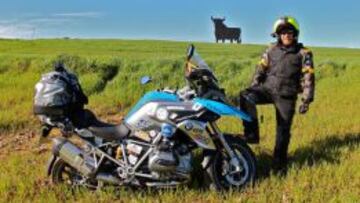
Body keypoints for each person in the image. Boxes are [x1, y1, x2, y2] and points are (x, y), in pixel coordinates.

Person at [239, 16, 315, 171]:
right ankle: (251, 134)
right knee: (245, 95)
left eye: (290, 32)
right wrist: (254, 87)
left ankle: (279, 165)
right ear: (278, 35)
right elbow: (260, 70)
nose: (287, 35)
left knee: (283, 132)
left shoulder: (304, 53)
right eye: (283, 32)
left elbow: (309, 77)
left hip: (287, 95)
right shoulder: (270, 50)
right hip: (267, 90)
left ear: (295, 34)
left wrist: (306, 99)